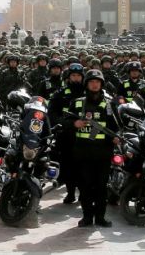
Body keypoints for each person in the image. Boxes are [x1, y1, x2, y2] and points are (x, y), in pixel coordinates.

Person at [67, 70, 116, 227]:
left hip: (103, 153)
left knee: (102, 187)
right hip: (83, 152)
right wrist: (74, 124)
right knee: (85, 186)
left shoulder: (109, 103)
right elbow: (65, 123)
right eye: (91, 81)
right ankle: (87, 216)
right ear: (86, 84)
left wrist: (115, 137)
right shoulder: (77, 103)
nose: (94, 84)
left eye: (97, 82)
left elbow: (116, 126)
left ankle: (100, 217)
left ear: (101, 84)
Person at [47, 63, 86, 204]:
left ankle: (83, 194)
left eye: (78, 76)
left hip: (85, 137)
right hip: (65, 136)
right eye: (73, 76)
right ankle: (70, 193)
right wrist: (64, 123)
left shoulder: (88, 93)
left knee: (83, 168)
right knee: (67, 166)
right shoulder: (60, 93)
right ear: (68, 77)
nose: (76, 78)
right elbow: (51, 114)